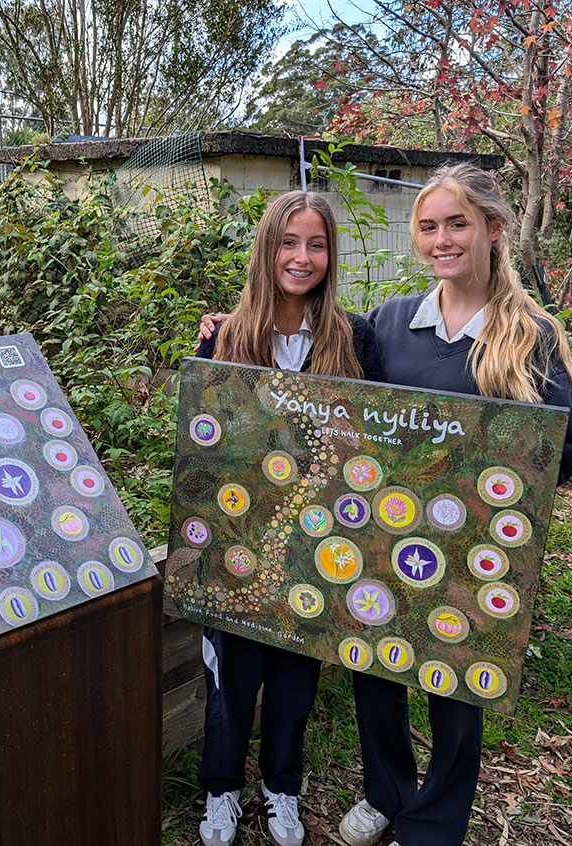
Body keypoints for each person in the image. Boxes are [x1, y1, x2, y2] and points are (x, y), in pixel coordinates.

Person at [199, 163, 572, 846]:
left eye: (457, 223)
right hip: (384, 540)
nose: (441, 239)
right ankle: (385, 792)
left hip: (470, 552)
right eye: (429, 226)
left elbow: (560, 449)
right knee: (377, 670)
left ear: (494, 229)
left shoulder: (532, 335)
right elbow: (342, 404)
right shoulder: (392, 324)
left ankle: (433, 819)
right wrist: (234, 327)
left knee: (457, 691)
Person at [194, 190, 384, 846]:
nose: (302, 258)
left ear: (331, 253)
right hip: (241, 546)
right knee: (232, 683)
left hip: (313, 548)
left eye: (317, 244)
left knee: (294, 684)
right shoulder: (227, 335)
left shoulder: (355, 338)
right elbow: (207, 444)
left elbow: (373, 448)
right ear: (267, 248)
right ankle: (221, 792)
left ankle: (282, 789)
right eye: (288, 242)